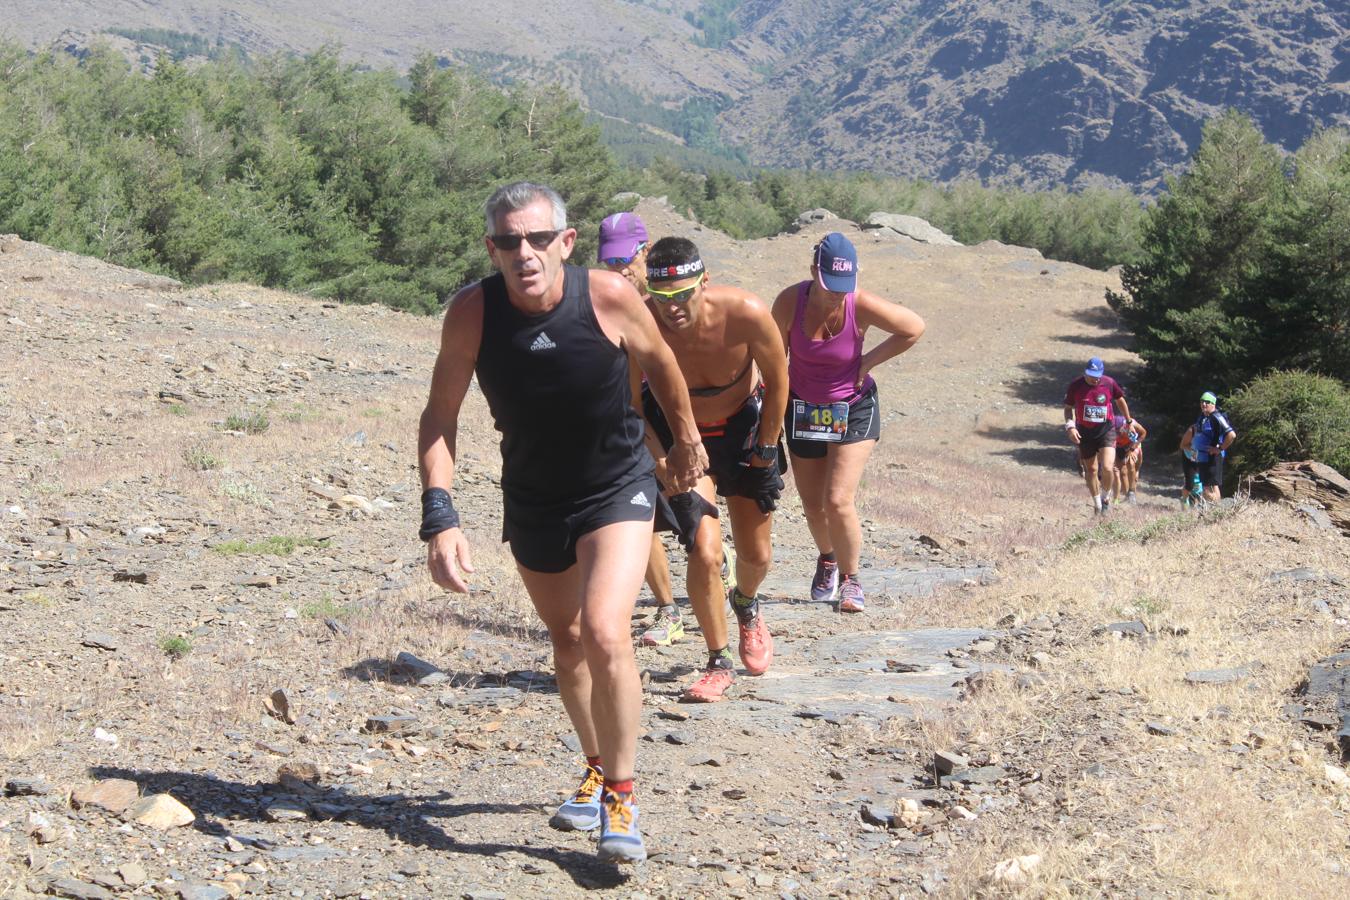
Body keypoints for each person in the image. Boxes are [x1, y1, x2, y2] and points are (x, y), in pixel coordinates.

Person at [418, 182, 707, 863]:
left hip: (616, 484)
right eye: (509, 241)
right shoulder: (472, 315)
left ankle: (622, 796)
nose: (526, 253)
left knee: (608, 631)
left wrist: (688, 437)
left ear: (566, 242)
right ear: (491, 249)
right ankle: (597, 765)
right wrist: (440, 513)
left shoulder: (605, 297)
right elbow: (440, 416)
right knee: (570, 640)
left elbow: (662, 364)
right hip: (534, 498)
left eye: (539, 238)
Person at [631, 236, 788, 702]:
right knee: (703, 550)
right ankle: (718, 660)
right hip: (681, 436)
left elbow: (779, 382)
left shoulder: (746, 312)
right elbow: (631, 403)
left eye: (683, 295)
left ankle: (745, 602)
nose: (673, 308)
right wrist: (662, 456)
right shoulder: (640, 320)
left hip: (742, 430)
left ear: (705, 283)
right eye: (662, 298)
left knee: (755, 557)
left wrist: (766, 446)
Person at [771, 232, 926, 613]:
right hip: (803, 407)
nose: (838, 294)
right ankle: (827, 558)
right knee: (811, 504)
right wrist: (769, 411)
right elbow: (773, 356)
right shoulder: (791, 301)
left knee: (837, 499)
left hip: (852, 406)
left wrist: (868, 361)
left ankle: (851, 580)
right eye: (829, 287)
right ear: (813, 272)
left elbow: (913, 327)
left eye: (845, 285)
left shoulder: (861, 302)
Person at [595, 212, 685, 647]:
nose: (619, 272)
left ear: (646, 252)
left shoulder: (672, 299)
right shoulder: (605, 301)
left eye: (625, 261)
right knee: (641, 511)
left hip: (683, 412)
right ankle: (668, 609)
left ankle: (717, 574)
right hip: (632, 417)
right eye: (609, 263)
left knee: (691, 513)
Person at [1063, 356, 1132, 514]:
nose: (1095, 380)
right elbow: (1068, 408)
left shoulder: (1109, 383)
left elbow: (1120, 400)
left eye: (1097, 376)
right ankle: (1097, 504)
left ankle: (1105, 498)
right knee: (1091, 470)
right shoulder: (1076, 385)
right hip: (1084, 432)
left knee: (1108, 467)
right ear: (1085, 373)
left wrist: (1128, 421)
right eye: (1091, 376)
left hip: (1106, 430)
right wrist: (1070, 427)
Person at [1179, 391, 1236, 502]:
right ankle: (1214, 513)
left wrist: (1219, 449)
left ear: (1213, 404)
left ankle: (1214, 512)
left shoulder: (1217, 417)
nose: (1203, 404)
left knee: (1209, 488)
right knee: (1210, 487)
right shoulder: (1204, 418)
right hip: (1204, 459)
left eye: (1207, 402)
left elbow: (1232, 435)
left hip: (1212, 458)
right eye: (1202, 401)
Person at [1110, 414, 1146, 502]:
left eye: (1119, 432)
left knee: (1131, 463)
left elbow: (1143, 433)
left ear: (1124, 426)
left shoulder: (1132, 425)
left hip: (1133, 443)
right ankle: (1127, 496)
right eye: (1116, 432)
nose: (1118, 434)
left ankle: (1132, 492)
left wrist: (1133, 447)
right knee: (1121, 471)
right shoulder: (1109, 429)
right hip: (1119, 447)